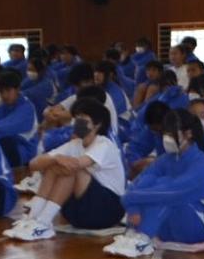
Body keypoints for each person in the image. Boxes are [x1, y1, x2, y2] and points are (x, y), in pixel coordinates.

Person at [107, 109, 204, 258]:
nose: (166, 138)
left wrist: (129, 198)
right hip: (172, 224)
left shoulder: (201, 163)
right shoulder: (165, 159)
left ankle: (144, 237)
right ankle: (134, 234)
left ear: (188, 133)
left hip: (201, 224)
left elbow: (172, 192)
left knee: (166, 191)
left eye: (170, 134)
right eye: (165, 133)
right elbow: (137, 184)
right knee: (151, 182)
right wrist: (133, 209)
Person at [8, 99, 125, 242]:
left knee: (71, 169)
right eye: (77, 119)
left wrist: (59, 160)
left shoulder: (104, 144)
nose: (78, 123)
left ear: (97, 124)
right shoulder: (75, 144)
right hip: (78, 213)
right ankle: (34, 218)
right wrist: (55, 158)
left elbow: (77, 164)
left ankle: (44, 222)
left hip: (107, 211)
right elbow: (33, 164)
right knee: (53, 165)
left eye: (84, 119)